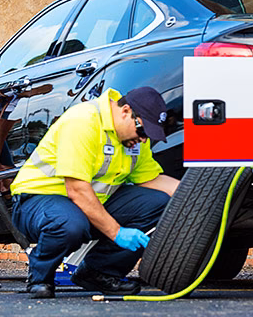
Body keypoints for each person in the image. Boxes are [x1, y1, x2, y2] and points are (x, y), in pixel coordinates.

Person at [10, 87, 181, 299]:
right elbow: (77, 190)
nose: (144, 140)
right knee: (69, 224)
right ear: (126, 111)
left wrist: (195, 198)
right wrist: (117, 232)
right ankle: (40, 277)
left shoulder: (132, 139)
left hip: (87, 204)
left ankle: (98, 272)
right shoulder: (83, 121)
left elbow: (152, 179)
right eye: (143, 131)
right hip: (39, 201)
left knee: (159, 202)